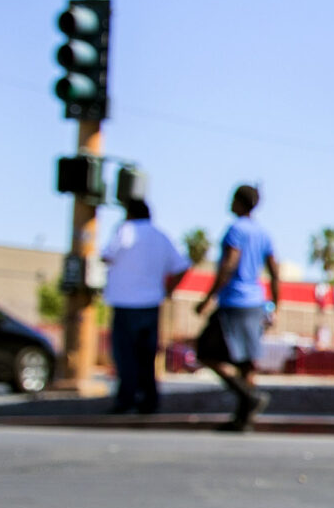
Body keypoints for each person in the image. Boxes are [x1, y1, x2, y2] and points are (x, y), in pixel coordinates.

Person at [195, 184, 281, 431]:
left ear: (240, 202)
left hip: (234, 301)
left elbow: (229, 263)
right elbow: (275, 272)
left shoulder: (236, 230)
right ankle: (244, 419)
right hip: (256, 302)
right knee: (246, 362)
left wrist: (209, 297)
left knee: (205, 351)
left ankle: (247, 396)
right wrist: (275, 305)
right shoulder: (263, 233)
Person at [101, 197, 190, 415]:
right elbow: (182, 265)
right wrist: (168, 290)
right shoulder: (161, 236)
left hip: (125, 303)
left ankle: (126, 399)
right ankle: (149, 399)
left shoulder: (125, 230)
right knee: (147, 355)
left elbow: (106, 255)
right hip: (150, 303)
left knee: (125, 356)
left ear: (130, 213)